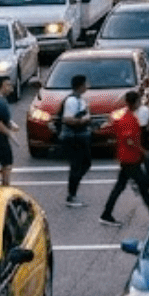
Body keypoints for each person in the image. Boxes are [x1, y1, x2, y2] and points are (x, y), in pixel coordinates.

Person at [101, 90, 149, 225]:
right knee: (143, 187)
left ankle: (106, 213)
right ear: (135, 102)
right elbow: (129, 140)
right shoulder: (129, 120)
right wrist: (143, 151)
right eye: (138, 101)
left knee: (120, 186)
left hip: (126, 157)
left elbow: (113, 127)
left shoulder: (125, 116)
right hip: (130, 159)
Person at [60, 74, 93, 207]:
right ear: (80, 86)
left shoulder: (81, 100)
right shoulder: (71, 101)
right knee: (77, 165)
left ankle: (73, 190)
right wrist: (83, 120)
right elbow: (67, 119)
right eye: (85, 84)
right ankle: (71, 195)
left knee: (86, 163)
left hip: (82, 136)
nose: (87, 86)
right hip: (74, 137)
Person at [0, 76, 18, 186]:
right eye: (8, 85)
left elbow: (2, 119)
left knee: (7, 165)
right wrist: (9, 133)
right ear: (1, 87)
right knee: (7, 165)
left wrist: (10, 124)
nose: (11, 87)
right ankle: (5, 187)